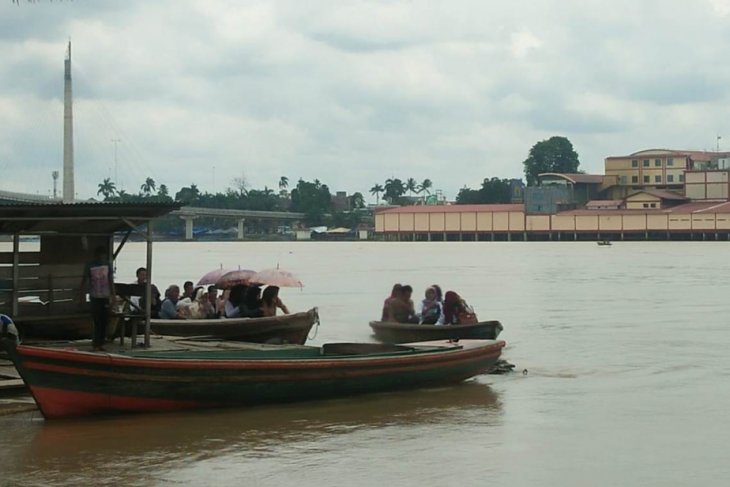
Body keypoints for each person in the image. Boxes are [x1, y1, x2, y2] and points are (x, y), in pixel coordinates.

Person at [80, 245, 114, 351]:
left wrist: (113, 295)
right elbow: (85, 280)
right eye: (101, 255)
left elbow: (110, 281)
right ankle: (96, 343)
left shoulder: (108, 265)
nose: (102, 257)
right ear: (97, 255)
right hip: (94, 296)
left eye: (104, 255)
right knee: (96, 320)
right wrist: (82, 295)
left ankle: (101, 343)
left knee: (104, 320)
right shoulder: (90, 265)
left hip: (105, 296)